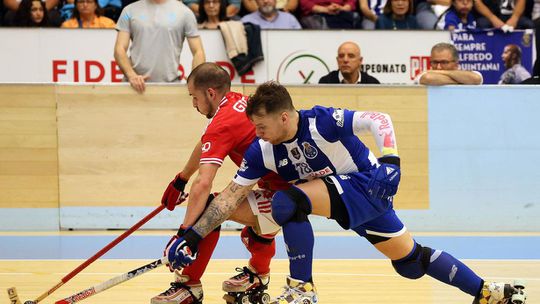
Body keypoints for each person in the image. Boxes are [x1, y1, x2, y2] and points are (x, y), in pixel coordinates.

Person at [165, 81, 527, 304]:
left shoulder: (320, 121)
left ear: (285, 118)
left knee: (287, 201)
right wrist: (193, 235)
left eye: (261, 127)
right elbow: (228, 196)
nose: (256, 135)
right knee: (411, 262)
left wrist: (392, 163)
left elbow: (379, 119)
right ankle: (485, 292)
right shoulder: (263, 150)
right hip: (342, 197)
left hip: (368, 185)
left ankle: (302, 288)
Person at [151, 63, 290, 304]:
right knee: (250, 227)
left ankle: (189, 286)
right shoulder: (238, 102)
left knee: (209, 209)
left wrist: (184, 235)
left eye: (194, 97)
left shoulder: (223, 122)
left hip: (290, 196)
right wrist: (181, 179)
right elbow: (206, 140)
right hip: (287, 186)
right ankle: (258, 274)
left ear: (211, 93)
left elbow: (203, 183)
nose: (194, 104)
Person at [114, 0, 205, 94]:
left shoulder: (185, 13)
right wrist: (131, 76)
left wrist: (195, 78)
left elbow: (198, 51)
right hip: (134, 87)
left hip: (170, 86)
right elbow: (119, 49)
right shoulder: (128, 11)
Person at [418, 42, 483, 85]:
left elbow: (476, 79)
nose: (438, 67)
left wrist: (442, 73)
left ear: (456, 64)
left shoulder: (468, 74)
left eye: (444, 62)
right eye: (435, 62)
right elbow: (428, 78)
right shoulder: (423, 75)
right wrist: (462, 81)